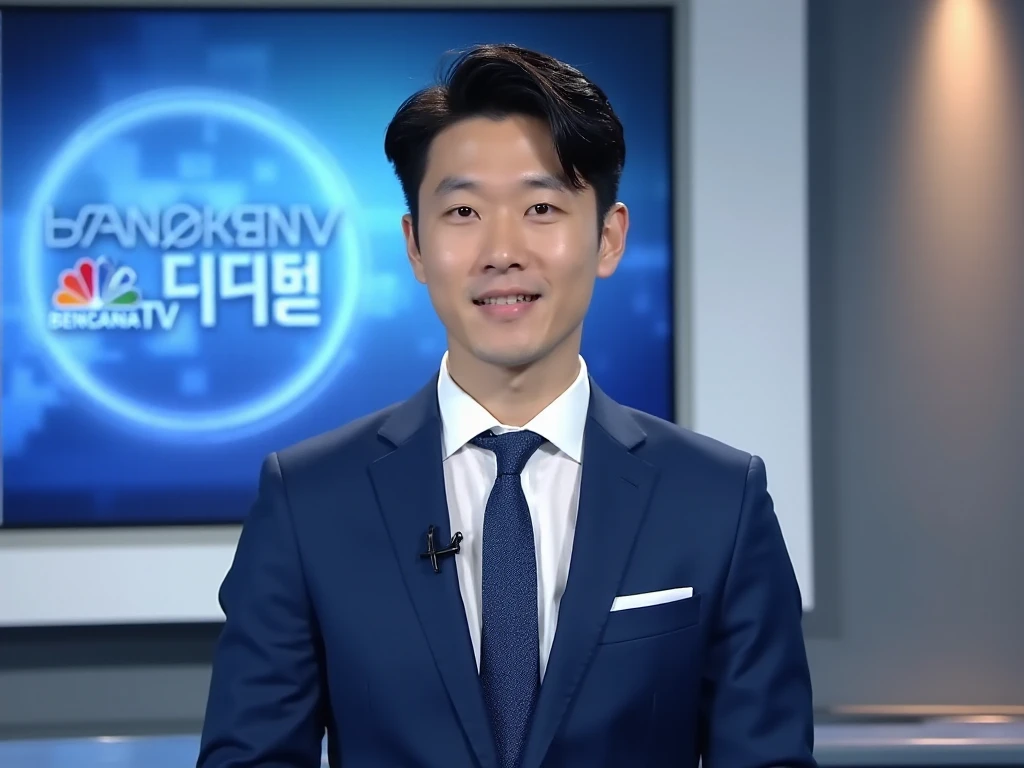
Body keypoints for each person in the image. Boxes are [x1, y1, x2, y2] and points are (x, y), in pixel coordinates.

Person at [196, 43, 815, 768]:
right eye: (462, 210)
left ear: (608, 237)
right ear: (416, 246)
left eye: (542, 207)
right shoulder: (309, 503)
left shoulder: (718, 502)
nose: (502, 250)